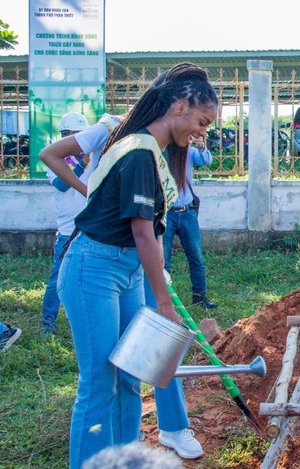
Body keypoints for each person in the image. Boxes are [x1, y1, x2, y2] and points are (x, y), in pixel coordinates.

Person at [48, 63, 217, 467]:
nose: (202, 131)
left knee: (127, 375)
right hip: (94, 270)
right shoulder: (140, 150)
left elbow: (153, 232)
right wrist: (165, 304)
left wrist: (155, 277)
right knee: (99, 382)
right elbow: (142, 232)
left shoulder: (154, 152)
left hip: (125, 272)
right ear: (179, 107)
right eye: (201, 120)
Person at [40, 111, 90, 335]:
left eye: (82, 135)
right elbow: (62, 184)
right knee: (57, 278)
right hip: (68, 230)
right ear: (65, 136)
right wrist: (81, 165)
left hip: (90, 228)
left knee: (86, 279)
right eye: (74, 135)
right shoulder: (57, 159)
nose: (78, 141)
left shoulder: (94, 157)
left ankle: (77, 320)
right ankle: (47, 322)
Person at [159, 137, 216, 309]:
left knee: (196, 257)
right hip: (166, 213)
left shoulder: (190, 152)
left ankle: (200, 297)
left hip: (187, 212)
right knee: (164, 260)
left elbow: (206, 161)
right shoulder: (161, 154)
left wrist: (201, 145)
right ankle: (166, 301)